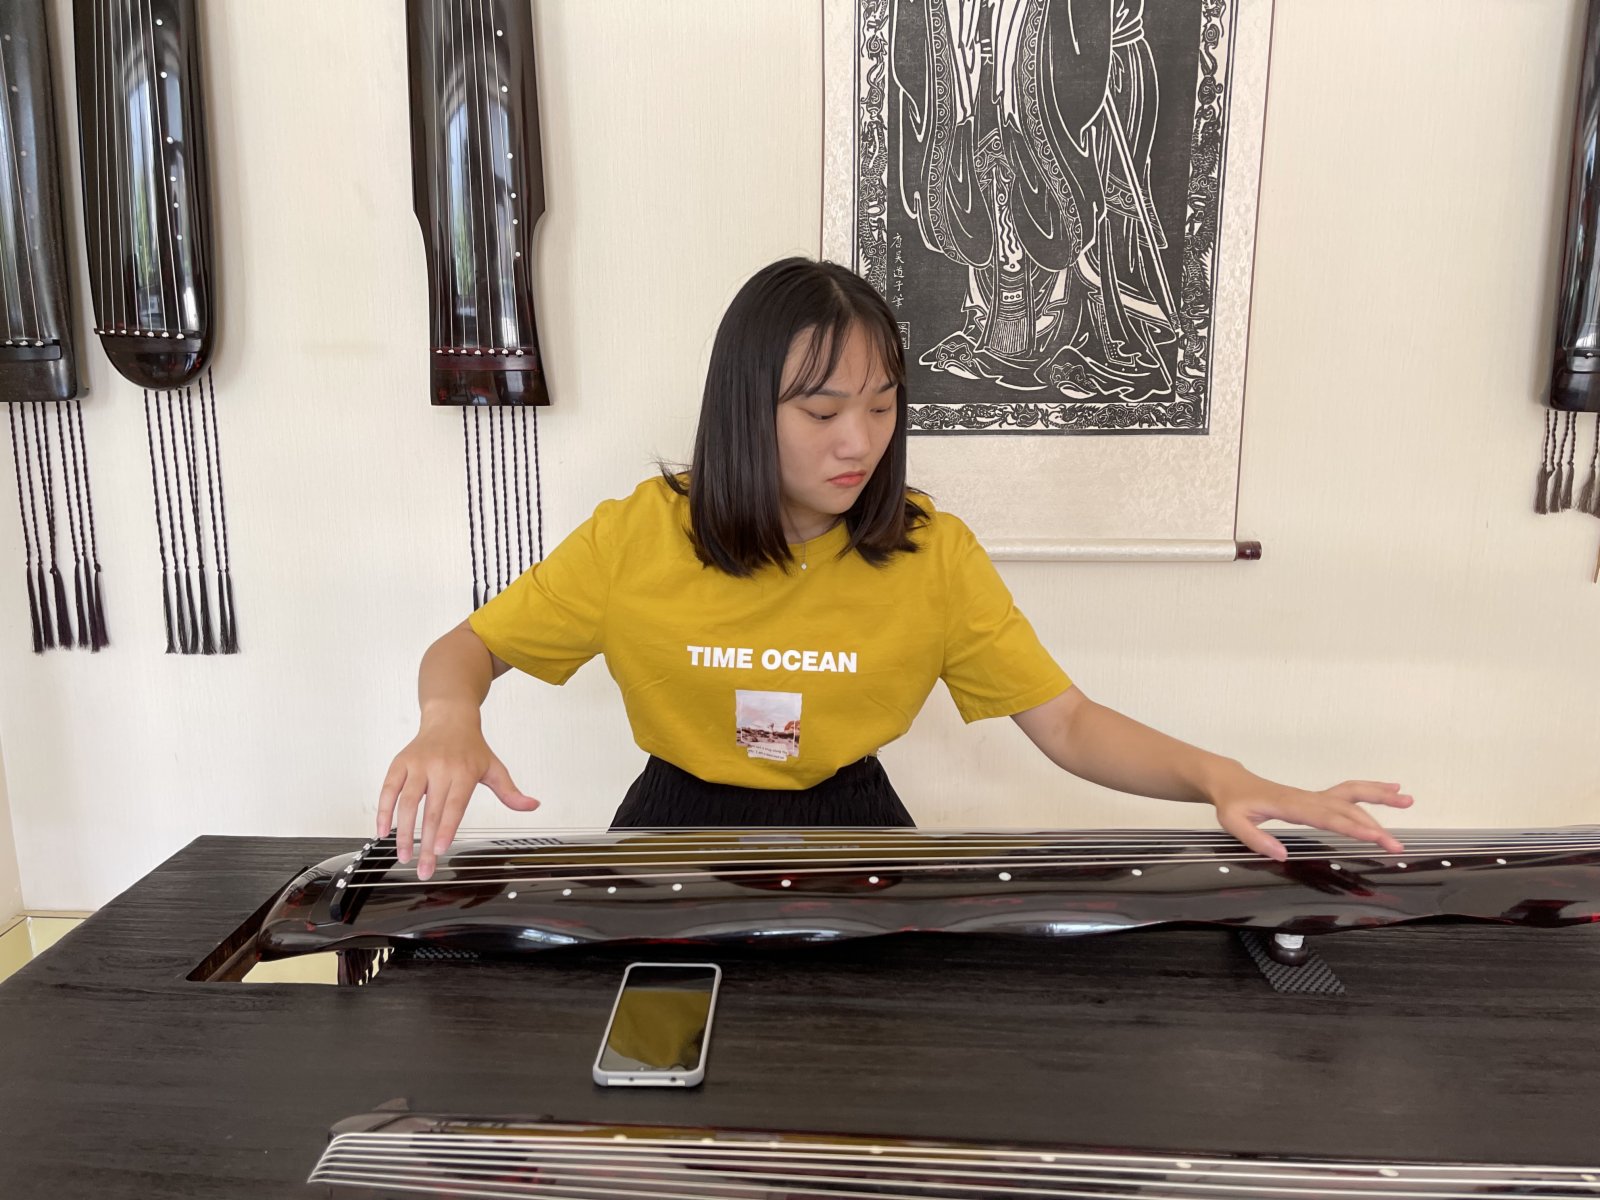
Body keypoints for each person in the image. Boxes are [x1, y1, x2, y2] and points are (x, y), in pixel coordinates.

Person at [379, 258, 1411, 881]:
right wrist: (448, 718)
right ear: (745, 408)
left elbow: (1068, 724)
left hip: (855, 827)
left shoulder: (931, 551)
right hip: (674, 827)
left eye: (882, 406)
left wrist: (1224, 779)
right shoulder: (639, 535)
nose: (860, 441)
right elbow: (466, 649)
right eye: (823, 410)